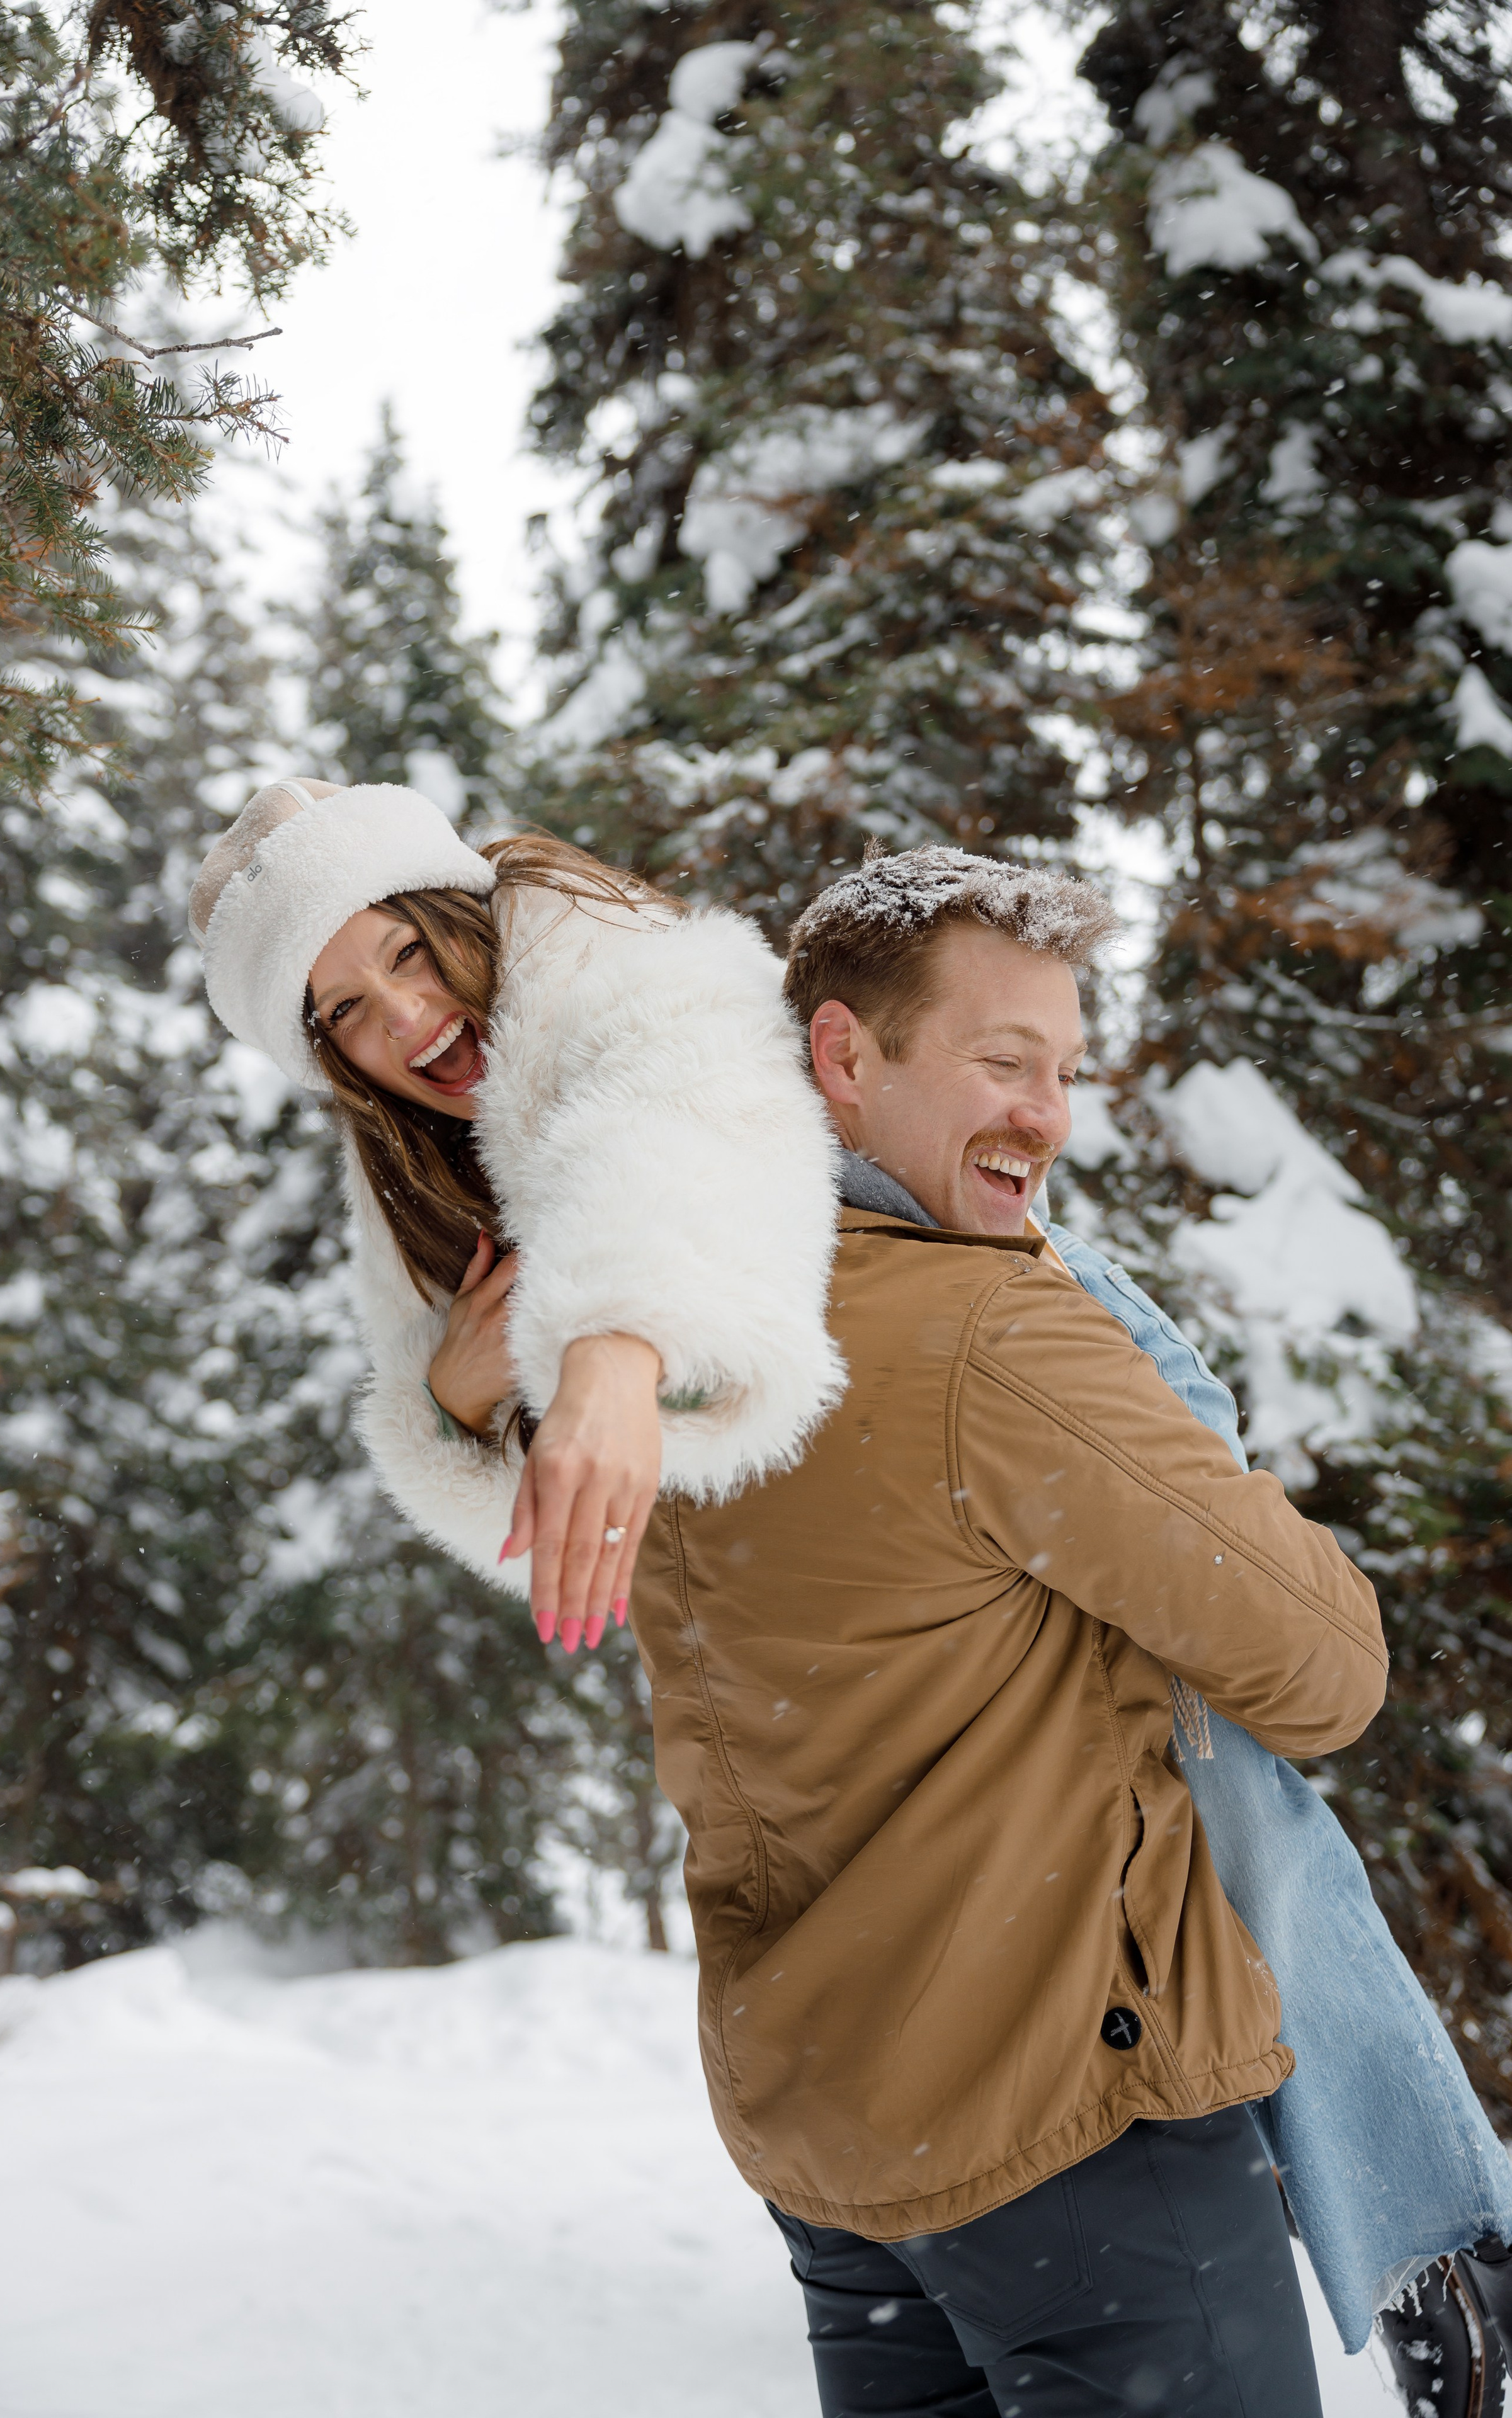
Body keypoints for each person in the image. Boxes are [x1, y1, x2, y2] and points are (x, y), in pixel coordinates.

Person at [615, 843, 1462, 2418]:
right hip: (1073, 2136)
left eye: (1065, 1070)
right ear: (841, 1056)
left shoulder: (680, 1330)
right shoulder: (989, 1338)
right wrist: (1179, 1426)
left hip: (839, 2141)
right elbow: (1325, 1666)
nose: (1045, 1116)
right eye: (1003, 1062)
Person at [187, 775, 843, 1646]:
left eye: (406, 952)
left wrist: (616, 1342)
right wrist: (449, 1411)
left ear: (456, 917)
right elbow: (555, 1550)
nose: (403, 1014)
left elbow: (693, 1125)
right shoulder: (418, 1186)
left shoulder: (638, 976)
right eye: (345, 1009)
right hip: (774, 1665)